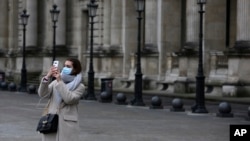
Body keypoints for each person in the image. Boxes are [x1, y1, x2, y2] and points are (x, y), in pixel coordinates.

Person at [38, 58, 85, 141]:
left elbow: (69, 99)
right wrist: (47, 77)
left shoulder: (80, 86)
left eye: (68, 66)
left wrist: (60, 81)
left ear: (75, 69)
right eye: (64, 66)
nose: (65, 68)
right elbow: (43, 94)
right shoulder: (55, 82)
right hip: (51, 120)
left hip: (67, 123)